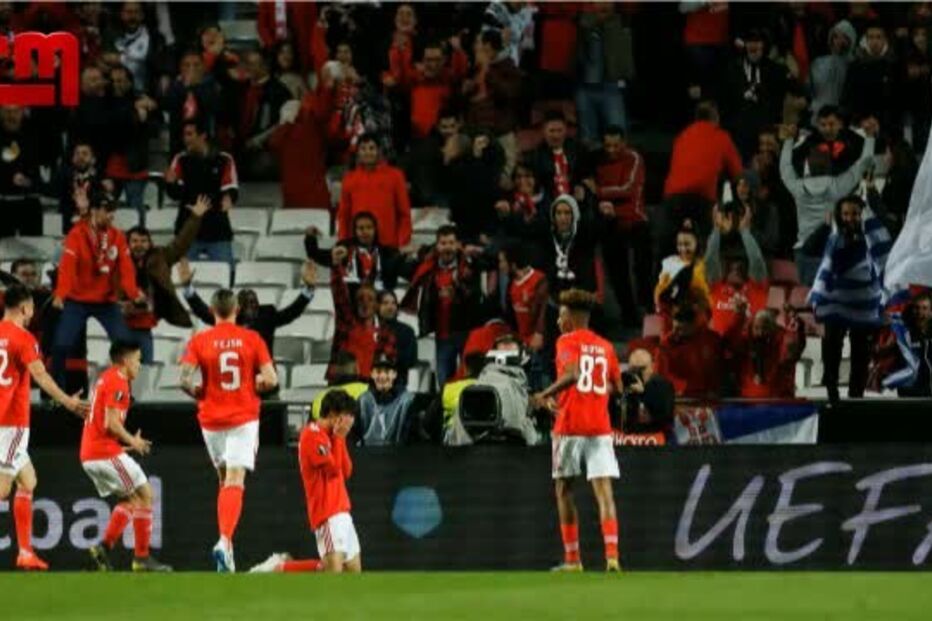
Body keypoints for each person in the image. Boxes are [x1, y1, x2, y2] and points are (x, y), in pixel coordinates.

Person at [180, 289, 278, 572]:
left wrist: (200, 392)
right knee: (236, 480)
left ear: (212, 311)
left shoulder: (200, 340)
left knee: (224, 481)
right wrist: (253, 386)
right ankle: (223, 541)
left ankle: (229, 550)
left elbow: (184, 380)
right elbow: (271, 379)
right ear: (236, 310)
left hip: (211, 419)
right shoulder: (252, 339)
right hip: (242, 418)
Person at [530, 289, 622, 573]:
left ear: (569, 317)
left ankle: (573, 560)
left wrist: (542, 395)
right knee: (604, 491)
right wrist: (594, 395)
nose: (558, 321)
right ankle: (612, 557)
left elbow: (571, 374)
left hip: (570, 426)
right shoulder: (606, 346)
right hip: (600, 426)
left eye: (560, 315)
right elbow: (616, 388)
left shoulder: (566, 340)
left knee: (564, 489)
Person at [0, 284, 89, 571]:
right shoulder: (23, 338)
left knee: (28, 481)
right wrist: (66, 401)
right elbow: (40, 374)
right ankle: (25, 552)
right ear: (25, 308)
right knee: (2, 489)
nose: (31, 315)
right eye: (31, 310)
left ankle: (25, 552)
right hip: (10, 425)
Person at [249, 390, 360, 574]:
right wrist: (339, 437)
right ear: (333, 414)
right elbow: (332, 472)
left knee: (353, 573)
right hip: (327, 512)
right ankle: (278, 568)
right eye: (347, 415)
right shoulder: (312, 435)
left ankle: (281, 565)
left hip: (343, 510)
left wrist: (341, 438)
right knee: (332, 572)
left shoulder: (334, 435)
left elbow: (346, 472)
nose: (350, 420)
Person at [82, 341, 170, 572]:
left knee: (131, 500)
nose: (140, 365)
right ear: (125, 360)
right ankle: (141, 558)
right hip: (102, 452)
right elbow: (111, 424)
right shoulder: (117, 381)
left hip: (93, 453)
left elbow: (102, 423)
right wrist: (133, 441)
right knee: (145, 495)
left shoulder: (106, 378)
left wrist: (123, 448)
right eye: (138, 359)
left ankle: (104, 547)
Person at [52, 194, 144, 389]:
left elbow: (126, 268)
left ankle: (123, 390)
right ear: (94, 210)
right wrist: (61, 294)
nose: (112, 215)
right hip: (77, 300)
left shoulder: (118, 236)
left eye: (113, 211)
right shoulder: (77, 234)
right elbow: (67, 266)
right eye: (107, 210)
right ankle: (56, 393)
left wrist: (134, 294)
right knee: (61, 344)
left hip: (106, 301)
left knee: (125, 344)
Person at [807, 195, 890, 404]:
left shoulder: (872, 235)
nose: (850, 218)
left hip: (864, 303)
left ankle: (856, 400)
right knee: (831, 348)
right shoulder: (833, 237)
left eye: (855, 213)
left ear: (863, 214)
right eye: (845, 214)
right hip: (835, 301)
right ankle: (832, 396)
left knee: (860, 355)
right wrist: (825, 228)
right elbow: (808, 249)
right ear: (839, 215)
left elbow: (883, 256)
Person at [779, 122, 875, 285]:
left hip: (804, 253)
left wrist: (788, 141)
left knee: (809, 305)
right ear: (829, 166)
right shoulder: (837, 186)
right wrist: (870, 137)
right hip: (831, 250)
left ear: (808, 167)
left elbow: (785, 168)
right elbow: (864, 162)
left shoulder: (797, 187)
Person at [124, 196, 208, 363]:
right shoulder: (118, 260)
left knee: (145, 372)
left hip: (144, 327)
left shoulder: (160, 256)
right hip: (120, 325)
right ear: (127, 244)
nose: (139, 245)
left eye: (143, 241)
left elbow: (181, 244)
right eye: (134, 241)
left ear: (150, 243)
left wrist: (195, 218)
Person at [179, 259, 316, 360]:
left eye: (254, 302)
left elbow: (292, 312)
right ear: (238, 308)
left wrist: (308, 289)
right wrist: (187, 287)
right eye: (247, 303)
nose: (251, 306)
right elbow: (203, 311)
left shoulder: (267, 316)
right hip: (237, 386)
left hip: (265, 384)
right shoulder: (228, 318)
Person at [401, 225, 483, 388]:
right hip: (442, 335)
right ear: (437, 246)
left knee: (470, 378)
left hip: (465, 332)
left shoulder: (470, 267)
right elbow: (402, 268)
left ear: (458, 245)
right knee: (444, 380)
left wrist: (457, 291)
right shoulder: (428, 267)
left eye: (451, 243)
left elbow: (476, 297)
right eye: (443, 243)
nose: (447, 248)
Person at [660, 100, 742, 259]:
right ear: (715, 118)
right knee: (708, 243)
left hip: (672, 197)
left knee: (667, 248)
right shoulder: (721, 136)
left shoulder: (682, 136)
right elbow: (738, 174)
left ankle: (663, 280)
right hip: (702, 198)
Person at [593, 125, 649, 325]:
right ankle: (629, 315)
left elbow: (628, 189)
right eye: (608, 146)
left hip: (634, 219)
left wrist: (598, 192)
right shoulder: (597, 161)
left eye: (616, 145)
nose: (612, 150)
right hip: (610, 222)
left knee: (642, 267)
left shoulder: (634, 158)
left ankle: (648, 310)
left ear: (624, 143)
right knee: (617, 272)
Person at [165, 118, 238, 264]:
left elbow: (231, 187)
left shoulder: (224, 159)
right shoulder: (180, 159)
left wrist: (229, 197)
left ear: (202, 136)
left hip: (217, 230)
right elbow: (175, 194)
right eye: (185, 135)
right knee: (181, 278)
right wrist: (169, 184)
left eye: (190, 134)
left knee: (225, 275)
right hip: (187, 230)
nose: (186, 139)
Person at [328, 250, 397, 381]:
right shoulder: (347, 323)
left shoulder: (386, 333)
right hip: (343, 383)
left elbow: (390, 363)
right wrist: (336, 266)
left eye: (370, 299)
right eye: (360, 299)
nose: (365, 303)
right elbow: (339, 295)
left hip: (371, 386)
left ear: (377, 305)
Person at [336, 134, 412, 250]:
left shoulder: (395, 176)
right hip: (358, 245)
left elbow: (404, 214)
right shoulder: (349, 179)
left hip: (389, 245)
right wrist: (343, 243)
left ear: (379, 151)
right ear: (358, 152)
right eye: (363, 149)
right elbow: (343, 215)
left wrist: (402, 243)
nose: (367, 152)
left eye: (371, 148)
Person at [704, 204, 769, 337]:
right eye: (730, 264)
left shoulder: (756, 288)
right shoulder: (716, 288)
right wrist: (716, 229)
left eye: (740, 264)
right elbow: (710, 259)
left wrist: (745, 231)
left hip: (749, 350)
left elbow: (756, 260)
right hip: (722, 350)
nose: (735, 267)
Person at [305, 211, 400, 297]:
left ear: (375, 229)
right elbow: (315, 255)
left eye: (369, 227)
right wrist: (310, 238)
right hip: (351, 303)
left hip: (379, 302)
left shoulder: (387, 253)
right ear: (355, 230)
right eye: (361, 228)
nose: (365, 231)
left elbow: (392, 282)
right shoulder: (345, 249)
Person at [730, 308, 805, 399]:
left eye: (765, 328)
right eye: (757, 328)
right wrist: (738, 318)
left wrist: (794, 331)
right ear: (751, 328)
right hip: (747, 402)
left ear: (772, 330)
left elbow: (791, 350)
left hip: (775, 402)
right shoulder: (745, 345)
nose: (761, 332)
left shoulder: (778, 345)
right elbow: (731, 344)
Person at [656, 305, 724, 399]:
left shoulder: (711, 339)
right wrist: (688, 386)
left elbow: (719, 369)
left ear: (694, 324)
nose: (677, 331)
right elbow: (662, 377)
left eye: (682, 329)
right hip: (680, 400)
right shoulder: (666, 345)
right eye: (676, 327)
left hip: (710, 399)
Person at [0, 106, 41, 238]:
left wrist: (28, 181)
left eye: (16, 111)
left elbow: (40, 176)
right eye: (7, 111)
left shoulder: (33, 136)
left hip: (28, 203)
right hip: (2, 202)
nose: (11, 116)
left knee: (33, 248)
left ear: (23, 112)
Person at [357, 354, 414, 446]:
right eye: (378, 372)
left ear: (395, 374)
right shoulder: (363, 400)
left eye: (387, 372)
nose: (382, 376)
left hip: (399, 456)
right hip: (367, 456)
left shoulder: (407, 401)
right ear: (372, 374)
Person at [808, 20, 857, 126]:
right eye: (836, 37)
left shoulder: (856, 66)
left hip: (843, 119)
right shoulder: (818, 63)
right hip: (818, 117)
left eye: (844, 37)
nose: (839, 41)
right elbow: (810, 91)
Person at [622, 348, 675, 441]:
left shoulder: (663, 386)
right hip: (629, 438)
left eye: (642, 369)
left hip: (655, 437)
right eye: (633, 369)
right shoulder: (622, 383)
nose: (638, 373)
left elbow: (665, 416)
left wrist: (643, 393)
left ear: (652, 367)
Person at [377, 291, 417, 384]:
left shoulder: (407, 331)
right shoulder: (371, 329)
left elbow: (411, 361)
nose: (390, 307)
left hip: (397, 382)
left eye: (393, 303)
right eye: (385, 303)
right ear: (377, 306)